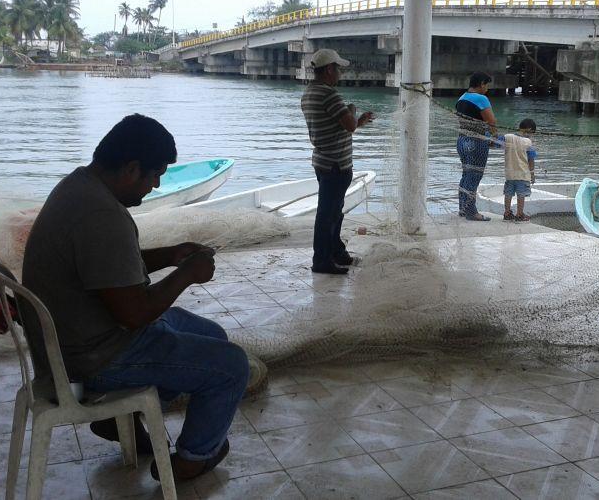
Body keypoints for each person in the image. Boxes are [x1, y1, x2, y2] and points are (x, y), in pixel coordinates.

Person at [20, 114, 250, 481]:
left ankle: (124, 415)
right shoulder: (101, 215)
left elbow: (107, 268)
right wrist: (187, 274)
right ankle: (192, 458)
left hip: (77, 337)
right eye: (155, 175)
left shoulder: (79, 186)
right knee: (232, 366)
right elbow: (134, 313)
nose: (156, 185)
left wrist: (171, 254)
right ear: (131, 169)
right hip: (93, 357)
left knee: (213, 336)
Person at [301, 48, 374, 275]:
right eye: (338, 69)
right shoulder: (329, 94)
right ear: (330, 69)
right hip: (336, 164)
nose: (340, 74)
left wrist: (358, 121)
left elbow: (342, 127)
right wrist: (353, 111)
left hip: (323, 161)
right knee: (328, 213)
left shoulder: (309, 93)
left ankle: (336, 251)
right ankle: (321, 260)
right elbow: (349, 124)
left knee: (334, 211)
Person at [456, 72, 498, 221]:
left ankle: (463, 208)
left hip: (462, 140)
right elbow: (491, 121)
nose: (487, 88)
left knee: (466, 175)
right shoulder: (481, 98)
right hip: (477, 141)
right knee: (475, 176)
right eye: (486, 85)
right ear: (481, 84)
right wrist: (494, 137)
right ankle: (472, 212)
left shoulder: (462, 97)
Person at [502, 118, 538, 223]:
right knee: (521, 195)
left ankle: (507, 213)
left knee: (508, 194)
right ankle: (519, 214)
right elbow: (531, 160)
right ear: (530, 130)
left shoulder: (508, 137)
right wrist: (532, 174)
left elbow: (496, 141)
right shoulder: (528, 142)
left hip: (509, 174)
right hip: (522, 174)